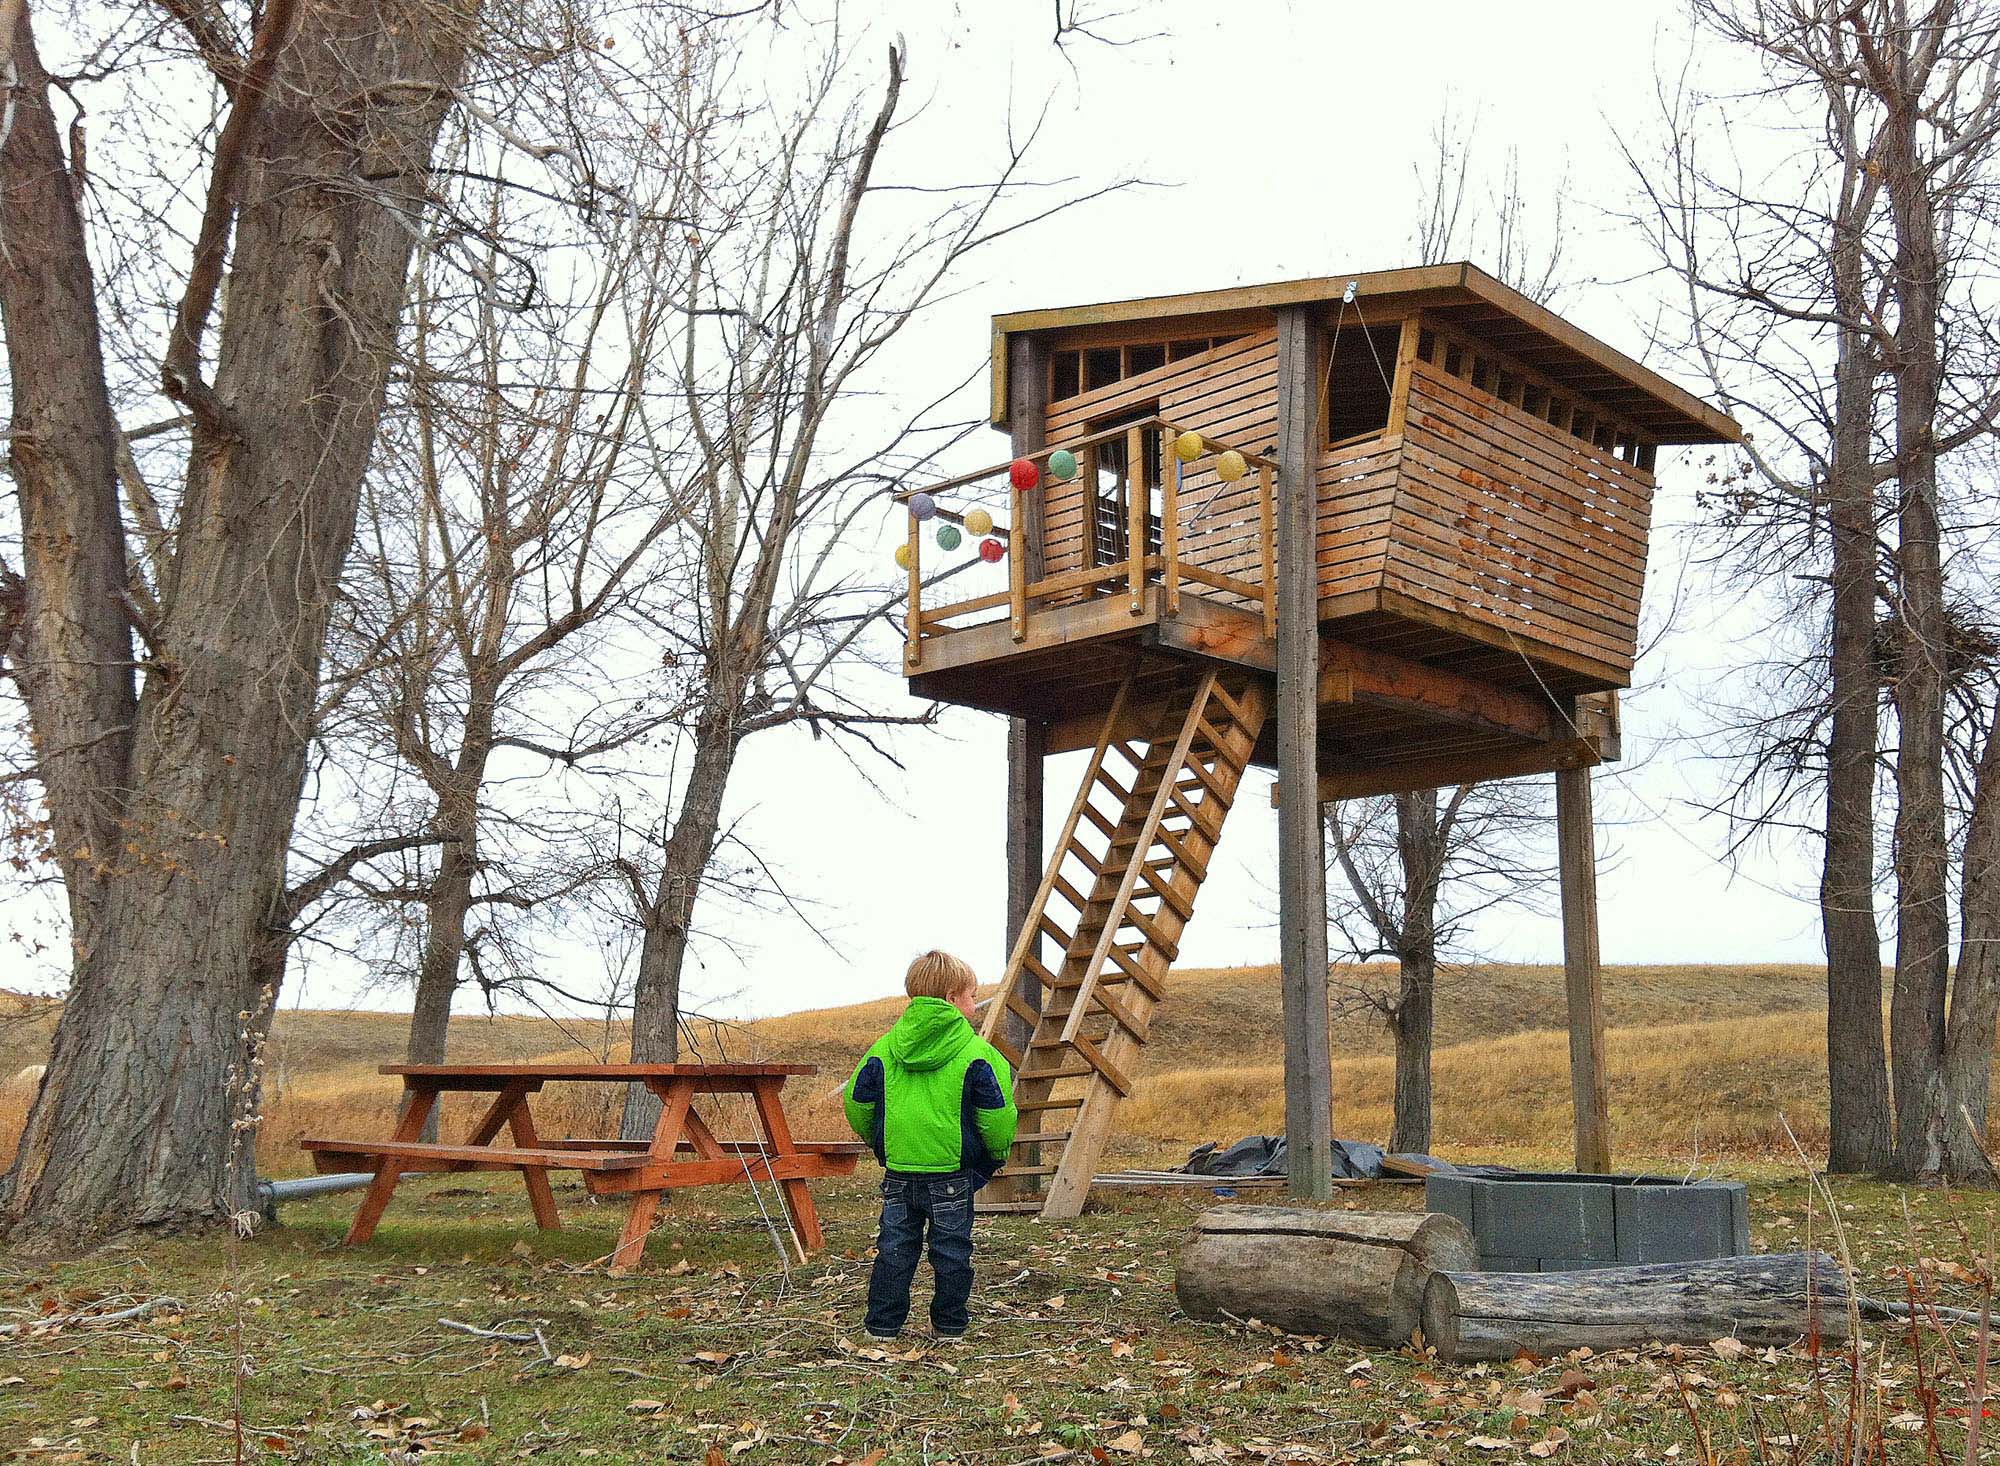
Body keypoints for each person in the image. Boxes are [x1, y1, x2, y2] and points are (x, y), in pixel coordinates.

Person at [843, 950, 1018, 1340]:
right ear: (954, 997)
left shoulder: (884, 1049)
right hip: (953, 1174)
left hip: (900, 1172)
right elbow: (997, 1116)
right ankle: (950, 1325)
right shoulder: (979, 1054)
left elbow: (857, 1102)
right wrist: (995, 1155)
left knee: (893, 1249)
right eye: (973, 995)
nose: (975, 1003)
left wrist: (881, 1142)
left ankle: (883, 1325)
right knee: (952, 1251)